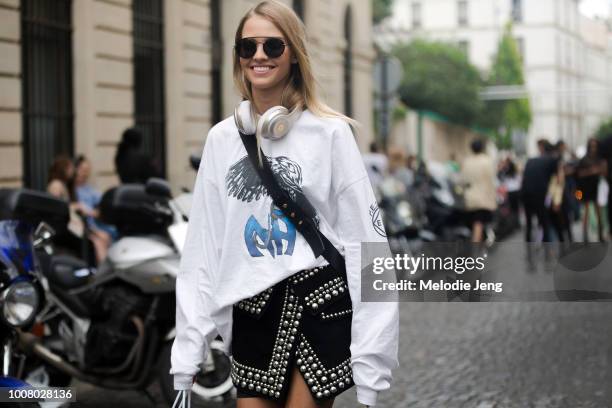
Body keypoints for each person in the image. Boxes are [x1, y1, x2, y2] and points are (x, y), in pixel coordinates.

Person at [170, 2, 399, 408]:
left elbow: (368, 245)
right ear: (238, 56)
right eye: (248, 47)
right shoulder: (222, 140)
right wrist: (188, 354)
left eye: (273, 46)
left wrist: (371, 369)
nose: (259, 56)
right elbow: (203, 248)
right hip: (252, 310)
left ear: (293, 53)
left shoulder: (330, 133)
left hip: (318, 303)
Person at [46, 156, 107, 264]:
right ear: (63, 169)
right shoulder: (56, 185)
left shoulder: (66, 185)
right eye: (70, 168)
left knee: (101, 239)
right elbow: (56, 206)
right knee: (96, 242)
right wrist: (76, 206)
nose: (72, 171)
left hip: (74, 224)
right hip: (67, 228)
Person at [521, 139, 559, 242]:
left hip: (525, 193)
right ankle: (546, 250)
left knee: (529, 223)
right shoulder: (552, 160)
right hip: (540, 194)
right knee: (544, 221)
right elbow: (557, 181)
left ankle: (529, 248)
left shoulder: (530, 160)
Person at [460, 139, 497, 243]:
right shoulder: (487, 161)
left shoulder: (467, 161)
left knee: (474, 224)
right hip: (483, 198)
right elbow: (491, 180)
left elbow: (462, 180)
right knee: (479, 223)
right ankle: (476, 249)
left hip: (469, 198)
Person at [74, 155, 117, 241]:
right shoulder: (71, 189)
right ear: (75, 170)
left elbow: (103, 202)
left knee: (114, 231)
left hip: (94, 225)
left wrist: (94, 212)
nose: (85, 174)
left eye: (87, 171)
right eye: (82, 170)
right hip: (83, 227)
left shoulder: (89, 189)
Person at [576, 138, 607, 242]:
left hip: (596, 188)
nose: (593, 148)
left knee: (599, 213)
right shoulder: (584, 159)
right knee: (586, 212)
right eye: (592, 146)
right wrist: (592, 171)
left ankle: (600, 235)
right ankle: (585, 236)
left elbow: (604, 171)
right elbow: (579, 174)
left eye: (595, 146)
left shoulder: (599, 158)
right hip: (585, 188)